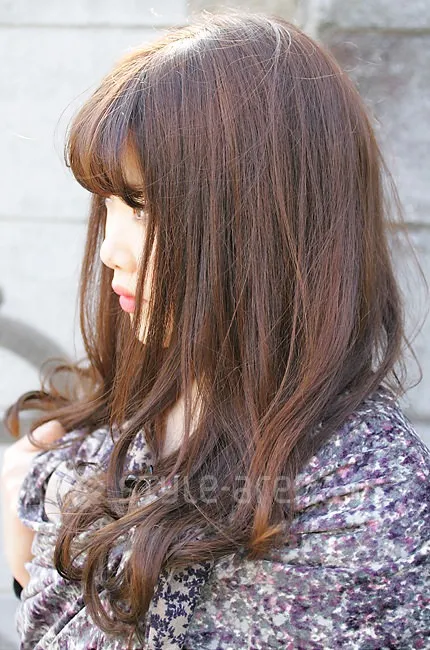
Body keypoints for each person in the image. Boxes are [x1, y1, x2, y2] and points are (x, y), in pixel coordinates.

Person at [1, 11, 429, 650]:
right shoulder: (132, 415)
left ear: (262, 220)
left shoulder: (363, 493)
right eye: (107, 203)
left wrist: (40, 552)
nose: (110, 250)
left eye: (142, 205)